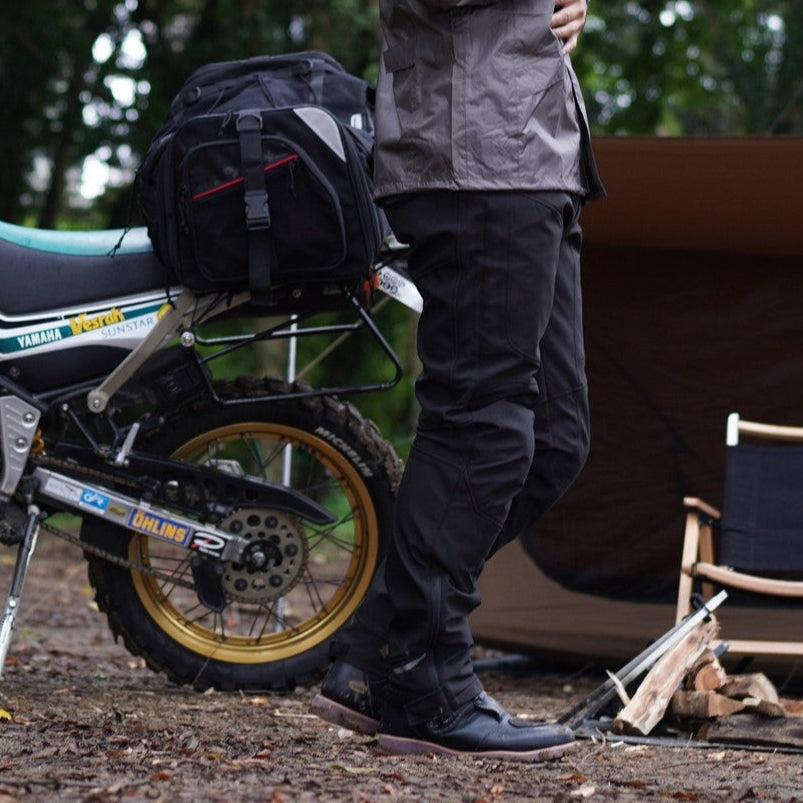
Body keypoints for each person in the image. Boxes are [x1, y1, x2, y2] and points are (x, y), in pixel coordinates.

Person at [311, 0, 605, 761]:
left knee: (552, 438)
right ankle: (423, 679)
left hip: (538, 156)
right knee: (481, 425)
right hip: (475, 155)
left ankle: (379, 647)